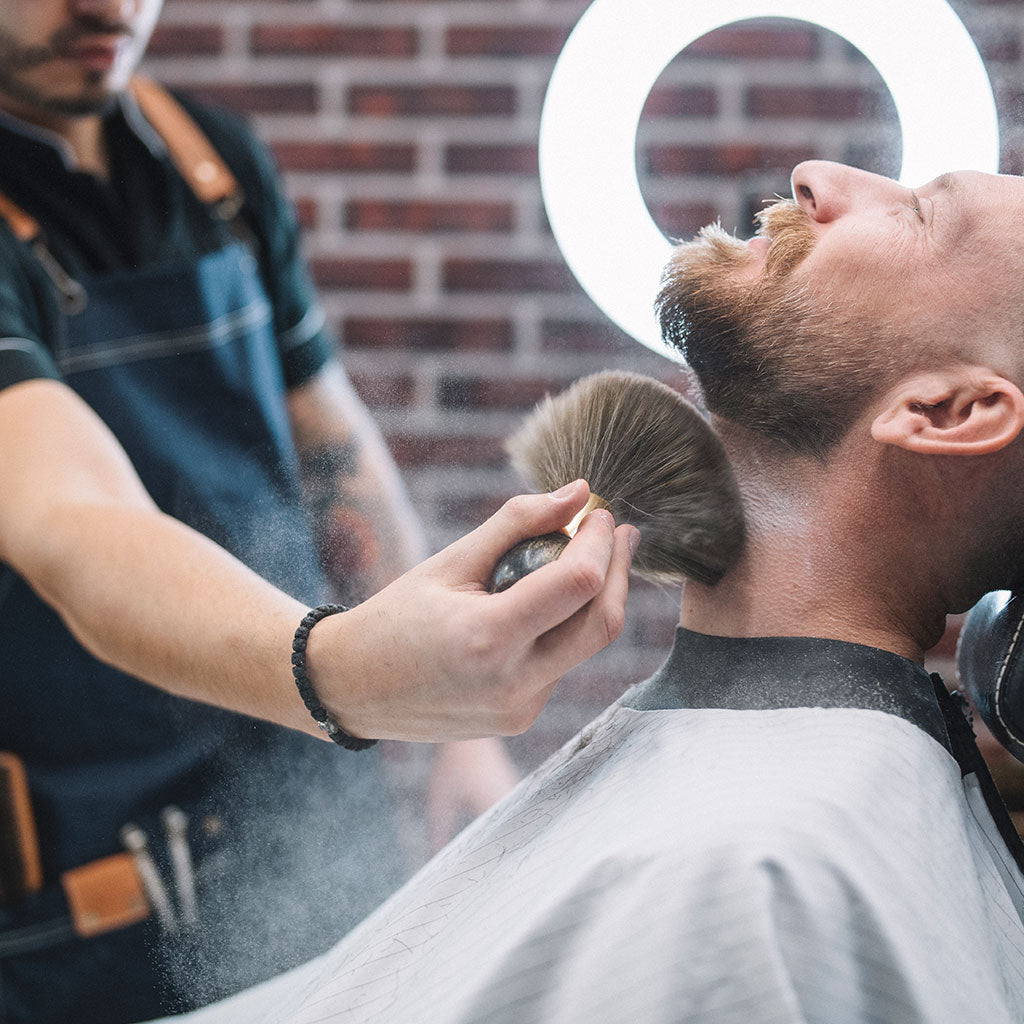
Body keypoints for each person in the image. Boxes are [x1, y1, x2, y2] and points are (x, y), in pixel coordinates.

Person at [165, 160, 1024, 1024]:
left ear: (947, 412)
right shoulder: (781, 820)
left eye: (918, 214)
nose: (815, 177)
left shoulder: (764, 875)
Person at [0, 2, 637, 1022]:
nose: (108, 9)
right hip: (93, 885)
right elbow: (69, 520)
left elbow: (334, 451)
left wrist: (456, 737)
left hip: (305, 811)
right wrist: (343, 670)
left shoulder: (216, 164)